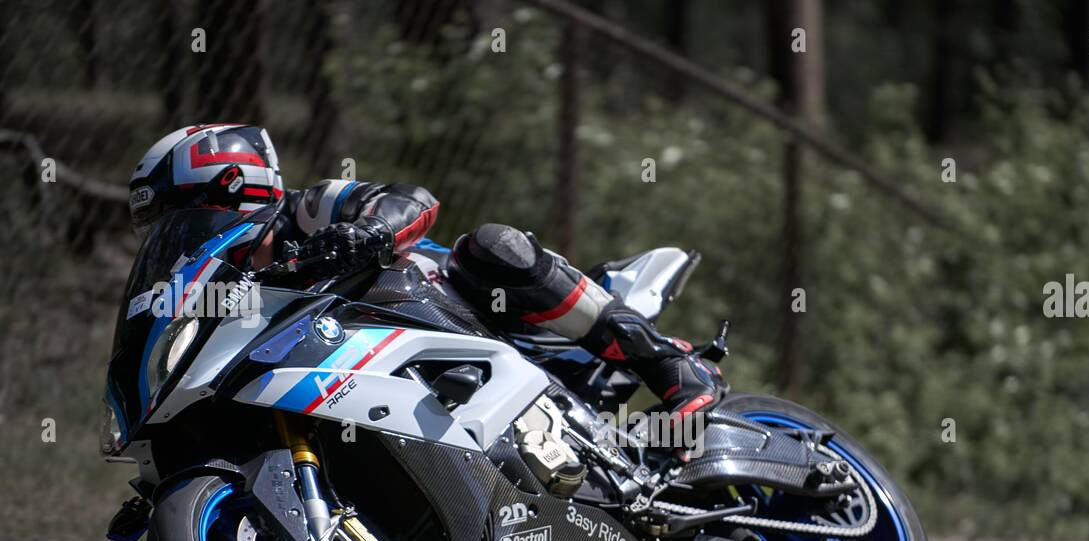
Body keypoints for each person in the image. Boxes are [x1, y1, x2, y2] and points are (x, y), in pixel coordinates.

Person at [128, 123, 725, 425]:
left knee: (492, 245)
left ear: (231, 186)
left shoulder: (303, 211)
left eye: (177, 214)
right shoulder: (221, 290)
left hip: (464, 307)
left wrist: (366, 231)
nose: (172, 235)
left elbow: (412, 198)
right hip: (395, 378)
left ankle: (672, 365)